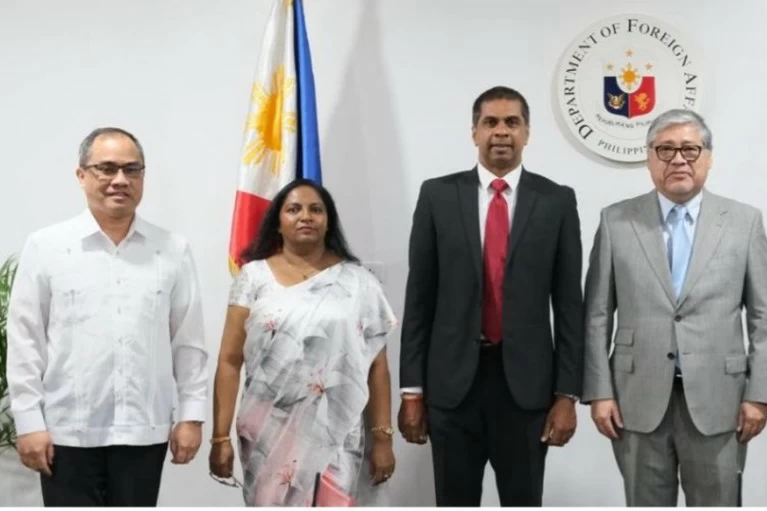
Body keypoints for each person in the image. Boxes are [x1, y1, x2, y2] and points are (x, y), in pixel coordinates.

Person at [581, 108, 767, 506]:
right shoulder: (616, 220)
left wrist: (759, 394)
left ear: (708, 157)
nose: (678, 160)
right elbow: (597, 316)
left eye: (690, 149)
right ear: (649, 158)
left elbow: (766, 318)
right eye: (666, 150)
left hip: (719, 400)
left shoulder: (744, 222)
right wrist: (599, 392)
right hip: (635, 398)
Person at [398, 86, 584, 506]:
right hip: (451, 387)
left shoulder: (556, 201)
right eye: (491, 122)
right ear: (474, 132)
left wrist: (566, 395)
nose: (501, 131)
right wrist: (412, 391)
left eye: (512, 122)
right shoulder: (437, 196)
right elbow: (419, 300)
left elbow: (569, 306)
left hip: (527, 390)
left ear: (527, 133)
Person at [5, 127, 208, 506]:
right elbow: (25, 341)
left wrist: (192, 416)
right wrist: (29, 422)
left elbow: (188, 342)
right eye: (107, 168)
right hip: (66, 432)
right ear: (81, 175)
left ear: (143, 176)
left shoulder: (172, 250)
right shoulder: (47, 247)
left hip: (144, 432)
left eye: (132, 169)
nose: (120, 180)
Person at [207, 179, 397, 506]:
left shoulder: (359, 282)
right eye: (294, 209)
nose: (305, 216)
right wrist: (219, 436)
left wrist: (383, 438)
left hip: (335, 437)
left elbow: (377, 366)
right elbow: (229, 360)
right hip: (266, 432)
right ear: (277, 223)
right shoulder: (253, 278)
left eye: (316, 210)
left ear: (328, 221)